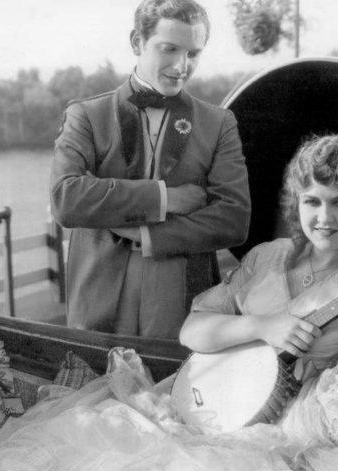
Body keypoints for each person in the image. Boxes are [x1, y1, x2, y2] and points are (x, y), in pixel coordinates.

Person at [0, 134, 338, 471]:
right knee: (100, 452)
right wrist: (263, 326)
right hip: (209, 397)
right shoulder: (269, 257)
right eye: (313, 201)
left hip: (273, 437)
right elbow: (192, 330)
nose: (324, 217)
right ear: (297, 203)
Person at [49, 0, 251, 338]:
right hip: (98, 305)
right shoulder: (86, 115)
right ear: (137, 43)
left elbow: (234, 219)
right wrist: (166, 198)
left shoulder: (219, 123)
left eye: (193, 53)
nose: (181, 66)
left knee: (177, 388)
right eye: (169, 49)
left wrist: (146, 235)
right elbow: (66, 200)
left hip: (185, 308)